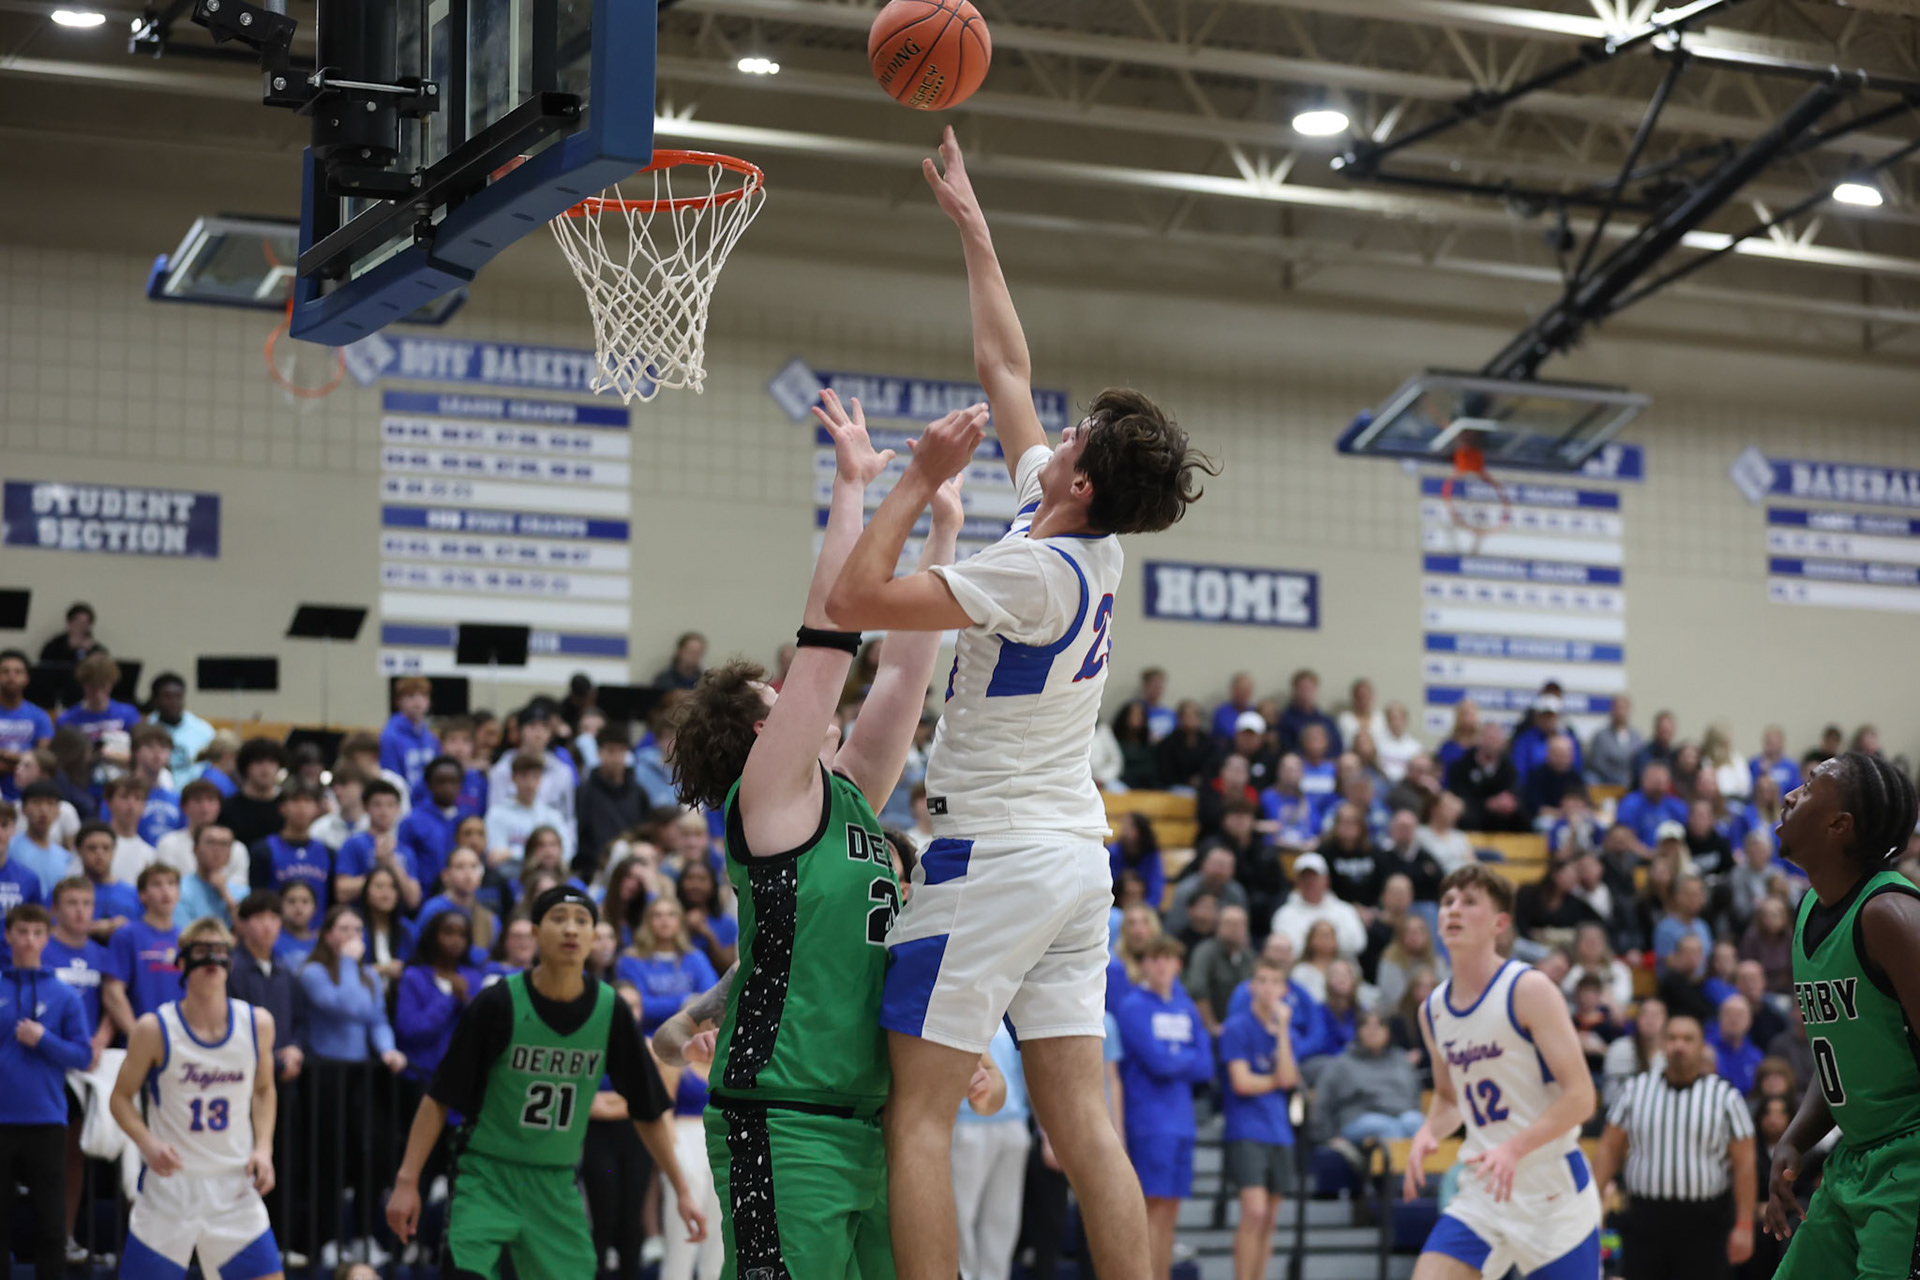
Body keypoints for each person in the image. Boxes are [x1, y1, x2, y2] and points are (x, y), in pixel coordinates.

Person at [819, 129, 1217, 1280]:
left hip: (990, 855)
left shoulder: (1031, 569)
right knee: (1083, 1121)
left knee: (918, 1116)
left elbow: (853, 599)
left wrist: (916, 482)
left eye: (1073, 433)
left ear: (1079, 479)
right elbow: (1005, 367)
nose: (1057, 428)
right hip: (1075, 860)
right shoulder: (1088, 539)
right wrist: (972, 225)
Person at [648, 385, 962, 1277]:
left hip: (868, 1117)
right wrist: (855, 486)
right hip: (781, 1117)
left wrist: (943, 531)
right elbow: (830, 636)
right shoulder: (770, 798)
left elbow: (901, 675)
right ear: (763, 731)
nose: (799, 694)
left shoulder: (846, 795)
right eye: (777, 696)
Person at [387, 886, 703, 1277]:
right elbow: (438, 1096)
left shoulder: (611, 1011)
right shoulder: (497, 1003)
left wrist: (683, 1191)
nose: (570, 929)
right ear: (536, 933)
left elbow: (648, 1109)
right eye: (558, 919)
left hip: (556, 1182)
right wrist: (407, 1181)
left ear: (593, 937)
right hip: (487, 1176)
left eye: (581, 921)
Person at [1762, 754, 1920, 1277]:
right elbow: (1841, 1059)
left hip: (1909, 1165)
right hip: (1854, 1159)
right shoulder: (1810, 908)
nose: (1791, 795)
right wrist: (1795, 1138)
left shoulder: (1892, 916)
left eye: (1809, 787)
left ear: (1839, 825)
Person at [1403, 865, 1599, 1279]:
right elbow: (1449, 1099)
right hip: (1484, 1192)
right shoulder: (1433, 1010)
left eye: (1469, 901)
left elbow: (1582, 1097)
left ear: (1500, 923)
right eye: (1447, 902)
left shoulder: (1528, 989)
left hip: (1550, 1192)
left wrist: (1514, 1147)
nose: (1454, 909)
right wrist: (1428, 1132)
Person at [107, 917, 284, 1280]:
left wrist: (264, 1148)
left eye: (219, 951)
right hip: (171, 1186)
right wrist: (148, 1144)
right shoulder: (154, 1028)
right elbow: (120, 1098)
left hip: (233, 1184)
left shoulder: (257, 1024)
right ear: (182, 962)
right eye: (202, 951)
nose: (211, 961)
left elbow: (264, 1090)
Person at [1594, 1014, 1757, 1280]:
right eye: (1672, 1038)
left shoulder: (1726, 1097)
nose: (1679, 1045)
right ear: (1662, 1044)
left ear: (1702, 1046)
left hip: (1705, 1221)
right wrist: (1592, 1208)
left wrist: (1744, 1225)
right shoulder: (1634, 1090)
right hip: (1645, 1218)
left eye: (1687, 1039)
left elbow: (1745, 1164)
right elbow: (1609, 1150)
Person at [0, 903, 92, 1280]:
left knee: (51, 1226)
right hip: (1, 1120)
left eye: (37, 933)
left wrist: (43, 1040)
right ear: (8, 935)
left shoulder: (65, 995)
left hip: (46, 1120)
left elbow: (83, 1055)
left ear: (47, 938)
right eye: (22, 932)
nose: (29, 940)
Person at [1115, 935, 1213, 1280]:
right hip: (1149, 1120)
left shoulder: (1186, 1006)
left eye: (1167, 958)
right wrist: (1183, 1056)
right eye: (1154, 959)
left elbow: (1206, 1066)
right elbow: (1158, 1062)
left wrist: (1175, 1057)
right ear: (1143, 964)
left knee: (1171, 1209)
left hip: (1182, 1121)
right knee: (1150, 1208)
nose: (1160, 965)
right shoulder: (1133, 1006)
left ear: (1178, 965)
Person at [1218, 956, 1298, 1280]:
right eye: (1262, 980)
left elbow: (1289, 1078)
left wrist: (1283, 1031)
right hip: (1246, 1128)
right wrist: (1275, 1081)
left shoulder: (1283, 1031)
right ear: (1251, 986)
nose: (1267, 988)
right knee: (1254, 1211)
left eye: (1274, 982)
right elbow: (1241, 1082)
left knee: (1270, 1218)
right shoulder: (1236, 1027)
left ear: (1284, 989)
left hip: (1279, 1130)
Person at [950, 1025, 1026, 1280]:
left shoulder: (1013, 1018)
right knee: (961, 1215)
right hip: (968, 1124)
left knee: (1003, 1218)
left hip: (1014, 1124)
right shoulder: (966, 1011)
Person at [393, 908, 483, 1084]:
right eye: (448, 933)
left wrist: (465, 1002)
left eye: (462, 935)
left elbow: (479, 1030)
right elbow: (410, 1030)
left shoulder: (472, 978)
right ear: (433, 936)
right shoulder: (413, 976)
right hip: (420, 1076)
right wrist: (450, 999)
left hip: (460, 1077)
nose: (456, 940)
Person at [228, 891, 306, 1085]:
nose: (267, 925)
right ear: (242, 924)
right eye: (259, 918)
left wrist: (295, 1047)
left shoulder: (285, 970)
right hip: (244, 1073)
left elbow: (302, 1018)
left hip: (285, 1072)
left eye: (273, 918)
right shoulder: (231, 969)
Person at [616, 896, 720, 1036]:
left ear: (680, 921)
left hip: (691, 1036)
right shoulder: (631, 960)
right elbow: (639, 1005)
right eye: (658, 915)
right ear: (647, 921)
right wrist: (684, 1001)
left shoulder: (696, 957)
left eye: (671, 915)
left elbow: (712, 998)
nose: (665, 921)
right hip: (647, 1036)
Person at [102, 862, 181, 1033]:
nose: (165, 890)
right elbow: (113, 992)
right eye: (157, 884)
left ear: (179, 893)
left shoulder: (186, 938)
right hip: (141, 1034)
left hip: (181, 1037)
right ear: (142, 895)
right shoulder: (126, 935)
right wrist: (136, 1035)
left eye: (171, 883)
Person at [575, 724, 647, 879]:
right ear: (599, 752)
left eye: (621, 750)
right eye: (610, 751)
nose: (616, 758)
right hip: (595, 870)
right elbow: (581, 835)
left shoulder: (638, 792)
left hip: (633, 869)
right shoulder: (584, 792)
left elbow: (644, 830)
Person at [336, 778, 420, 908]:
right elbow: (341, 891)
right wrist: (376, 874)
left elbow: (413, 900)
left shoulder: (406, 851)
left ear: (398, 809)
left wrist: (391, 863)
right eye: (377, 805)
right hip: (361, 915)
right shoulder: (353, 844)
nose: (384, 811)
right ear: (366, 807)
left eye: (390, 805)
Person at [1269, 852, 1367, 959]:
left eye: (1314, 877)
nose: (1309, 882)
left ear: (1326, 880)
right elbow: (1285, 950)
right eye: (1304, 877)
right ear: (1296, 882)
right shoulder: (1284, 915)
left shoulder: (1345, 910)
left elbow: (1359, 943)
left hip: (1341, 964)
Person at [395, 759, 473, 893]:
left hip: (461, 894)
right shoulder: (412, 821)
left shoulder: (467, 818)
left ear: (460, 784)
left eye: (453, 781)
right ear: (429, 785)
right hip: (424, 895)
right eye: (441, 781)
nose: (447, 787)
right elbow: (404, 863)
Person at [56, 654, 141, 767]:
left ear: (112, 684)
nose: (98, 693)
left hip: (120, 772)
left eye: (103, 686)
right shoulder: (67, 720)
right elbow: (64, 760)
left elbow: (139, 753)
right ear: (83, 685)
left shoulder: (128, 714)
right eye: (92, 687)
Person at [1442, 722, 1528, 832]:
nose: (1493, 743)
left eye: (1497, 739)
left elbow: (1514, 789)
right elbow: (1459, 795)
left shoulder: (1508, 767)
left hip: (1502, 817)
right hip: (1473, 816)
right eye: (1490, 738)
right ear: (1479, 740)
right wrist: (1487, 804)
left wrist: (1507, 801)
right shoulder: (1461, 766)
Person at [1185, 903, 1255, 1035]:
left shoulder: (1250, 957)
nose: (1234, 929)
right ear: (1218, 926)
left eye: (1240, 924)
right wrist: (1211, 1026)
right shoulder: (1205, 951)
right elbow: (1198, 990)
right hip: (1212, 1027)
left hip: (1242, 1030)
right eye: (1229, 923)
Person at [0, 649, 55, 803]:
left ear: (26, 678)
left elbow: (42, 759)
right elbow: (34, 763)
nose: (11, 677)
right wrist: (25, 764)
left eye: (18, 672)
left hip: (30, 796)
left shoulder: (40, 716)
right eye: (5, 672)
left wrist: (6, 756)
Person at [222, 739, 288, 863]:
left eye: (271, 762)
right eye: (259, 761)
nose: (265, 768)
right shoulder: (228, 807)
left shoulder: (287, 806)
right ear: (246, 767)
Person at [380, 676, 440, 797]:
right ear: (398, 701)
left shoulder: (430, 736)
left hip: (427, 801)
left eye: (423, 696)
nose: (418, 701)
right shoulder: (389, 736)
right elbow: (391, 777)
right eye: (411, 696)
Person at [174, 822, 242, 927]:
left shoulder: (242, 893)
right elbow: (183, 933)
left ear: (230, 853)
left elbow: (249, 934)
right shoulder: (178, 890)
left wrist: (226, 895)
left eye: (224, 844)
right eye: (211, 842)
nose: (217, 849)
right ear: (195, 849)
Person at [1604, 998, 1668, 1109]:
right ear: (1637, 1020)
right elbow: (1613, 1093)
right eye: (1645, 1015)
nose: (1650, 1020)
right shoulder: (1620, 1048)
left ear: (1666, 1021)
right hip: (1619, 1110)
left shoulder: (1671, 1053)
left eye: (1655, 1015)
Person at [1707, 994, 1765, 1096]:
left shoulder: (1756, 1056)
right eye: (1729, 1014)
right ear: (1719, 1018)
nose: (1733, 1019)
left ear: (1749, 1021)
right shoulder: (1706, 1051)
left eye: (1739, 1015)